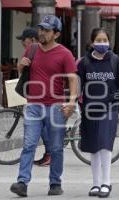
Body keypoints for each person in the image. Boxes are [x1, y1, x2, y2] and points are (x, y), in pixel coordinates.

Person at [10, 15, 78, 197]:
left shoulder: (65, 53)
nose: (42, 33)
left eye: (47, 30)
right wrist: (21, 66)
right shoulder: (31, 49)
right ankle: (22, 182)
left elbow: (72, 79)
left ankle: (55, 183)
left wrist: (71, 102)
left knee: (56, 147)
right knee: (29, 144)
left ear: (56, 34)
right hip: (33, 104)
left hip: (55, 107)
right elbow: (22, 70)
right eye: (41, 29)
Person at [77, 28, 119, 198]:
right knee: (94, 147)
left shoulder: (116, 61)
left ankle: (107, 182)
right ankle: (96, 184)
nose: (102, 43)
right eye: (98, 40)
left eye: (104, 40)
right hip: (90, 109)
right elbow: (78, 85)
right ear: (92, 42)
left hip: (109, 108)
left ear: (109, 42)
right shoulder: (84, 63)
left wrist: (115, 96)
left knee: (104, 143)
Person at [16, 27, 51, 166]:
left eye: (23, 40)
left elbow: (20, 70)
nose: (22, 43)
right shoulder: (33, 50)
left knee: (41, 125)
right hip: (39, 94)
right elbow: (21, 69)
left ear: (31, 40)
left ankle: (50, 154)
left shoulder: (33, 49)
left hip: (40, 96)